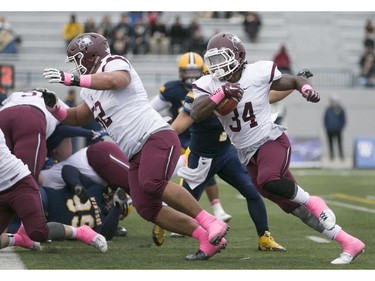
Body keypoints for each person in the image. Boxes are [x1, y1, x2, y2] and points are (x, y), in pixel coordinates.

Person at [41, 32, 229, 261]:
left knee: (153, 183)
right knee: (146, 208)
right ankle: (204, 237)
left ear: (91, 55)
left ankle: (211, 221)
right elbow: (78, 116)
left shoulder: (114, 63)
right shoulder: (89, 88)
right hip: (135, 152)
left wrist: (73, 79)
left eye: (79, 58)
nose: (77, 66)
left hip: (154, 135)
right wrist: (54, 107)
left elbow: (116, 81)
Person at [189, 32, 365, 265]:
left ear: (239, 56)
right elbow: (195, 113)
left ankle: (316, 202)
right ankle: (349, 242)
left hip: (270, 140)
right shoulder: (208, 84)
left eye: (223, 58)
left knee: (269, 178)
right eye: (214, 60)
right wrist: (221, 93)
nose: (218, 66)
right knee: (292, 206)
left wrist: (306, 89)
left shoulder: (258, 72)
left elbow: (293, 80)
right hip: (246, 154)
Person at [150, 51, 231, 226]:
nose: (192, 76)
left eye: (195, 72)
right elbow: (151, 108)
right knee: (190, 172)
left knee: (204, 169)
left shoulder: (208, 87)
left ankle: (216, 208)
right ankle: (206, 210)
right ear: (181, 73)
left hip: (198, 140)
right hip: (178, 140)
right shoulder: (172, 89)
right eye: (188, 72)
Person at [0, 128, 107, 253]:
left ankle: (79, 232)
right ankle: (20, 239)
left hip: (18, 184)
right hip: (2, 190)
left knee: (39, 232)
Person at [323, 95, 346, 161]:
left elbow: (343, 120)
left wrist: (340, 127)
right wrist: (327, 127)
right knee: (330, 144)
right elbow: (325, 119)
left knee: (339, 143)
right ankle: (331, 156)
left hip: (338, 130)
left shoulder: (340, 109)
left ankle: (341, 156)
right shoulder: (328, 110)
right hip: (330, 130)